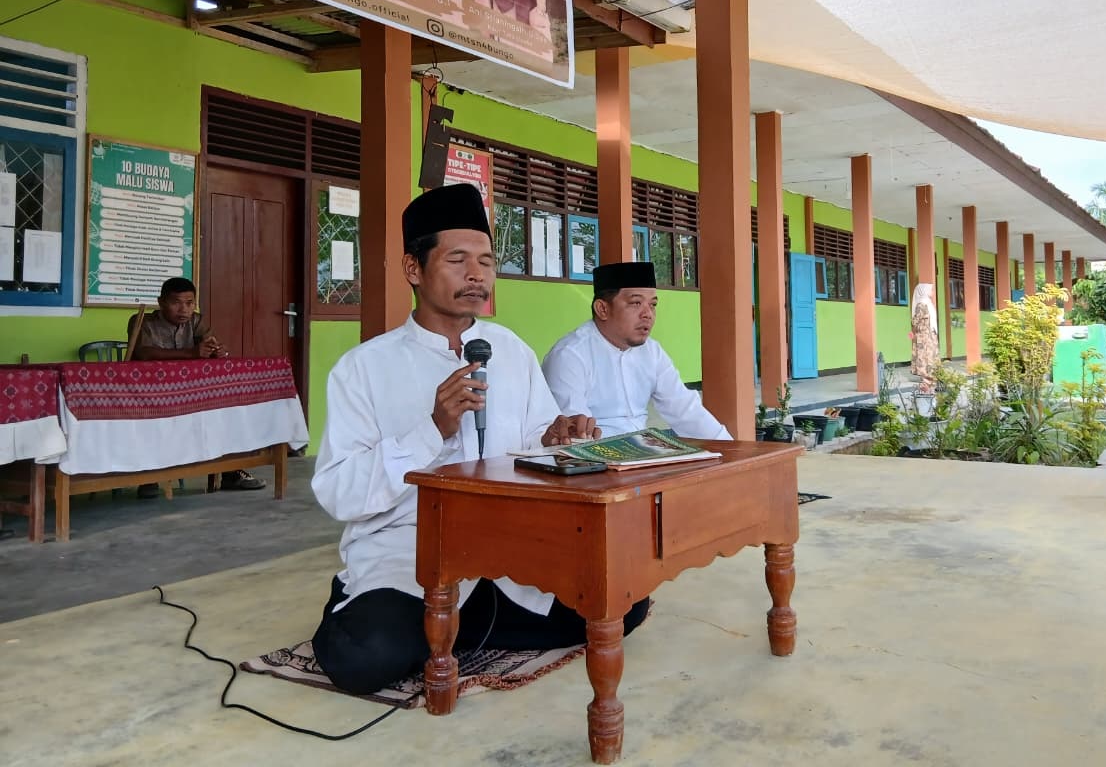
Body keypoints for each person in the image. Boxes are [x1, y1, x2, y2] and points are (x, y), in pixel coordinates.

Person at [310, 185, 648, 696]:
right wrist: (433, 429)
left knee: (627, 603)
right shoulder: (364, 368)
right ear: (413, 269)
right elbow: (339, 493)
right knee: (361, 658)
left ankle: (458, 627)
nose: (477, 275)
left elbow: (535, 438)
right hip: (411, 549)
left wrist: (557, 436)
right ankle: (391, 607)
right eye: (458, 259)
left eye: (487, 261)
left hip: (508, 547)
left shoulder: (509, 350)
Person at [541, 262, 731, 440]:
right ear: (602, 309)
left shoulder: (652, 351)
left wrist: (731, 451)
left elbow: (686, 410)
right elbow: (575, 433)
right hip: (596, 461)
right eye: (635, 303)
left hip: (643, 454)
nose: (648, 314)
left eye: (653, 304)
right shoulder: (569, 355)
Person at [129, 277, 265, 495]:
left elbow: (210, 344)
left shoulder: (197, 321)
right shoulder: (143, 322)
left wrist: (217, 351)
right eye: (176, 303)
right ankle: (150, 477)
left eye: (190, 303)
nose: (184, 309)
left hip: (190, 394)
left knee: (225, 411)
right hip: (150, 394)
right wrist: (191, 353)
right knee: (154, 422)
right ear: (161, 302)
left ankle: (231, 471)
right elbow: (143, 353)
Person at [909, 282, 941, 394]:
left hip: (929, 336)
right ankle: (926, 389)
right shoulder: (922, 304)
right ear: (924, 291)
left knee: (931, 359)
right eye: (930, 290)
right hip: (924, 337)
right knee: (926, 360)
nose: (932, 292)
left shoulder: (927, 303)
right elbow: (915, 321)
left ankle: (930, 388)